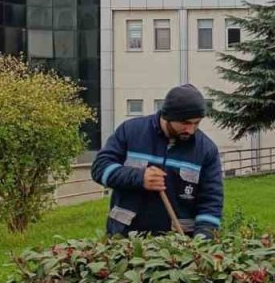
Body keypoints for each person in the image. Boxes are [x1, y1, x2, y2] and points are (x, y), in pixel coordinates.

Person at [91, 84, 224, 238]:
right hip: (124, 237)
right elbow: (100, 168)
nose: (191, 130)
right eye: (185, 123)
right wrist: (139, 178)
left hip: (177, 246)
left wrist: (202, 243)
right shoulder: (131, 131)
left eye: (196, 123)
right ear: (168, 116)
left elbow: (211, 202)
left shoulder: (206, 150)